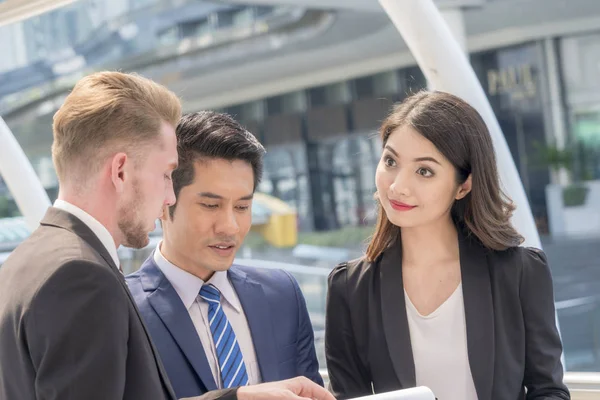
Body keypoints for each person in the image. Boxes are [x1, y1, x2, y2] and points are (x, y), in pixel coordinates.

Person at [0, 71, 334, 400]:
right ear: (120, 171)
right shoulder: (81, 276)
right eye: (164, 175)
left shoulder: (24, 264)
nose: (168, 196)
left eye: (242, 206)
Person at [325, 91, 570, 400]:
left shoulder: (519, 272)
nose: (398, 186)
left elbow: (548, 391)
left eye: (424, 171)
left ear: (463, 185)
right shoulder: (350, 289)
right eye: (390, 161)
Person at [126, 111, 323, 400]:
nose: (230, 226)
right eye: (210, 205)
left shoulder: (282, 295)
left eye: (242, 207)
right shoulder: (124, 310)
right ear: (164, 202)